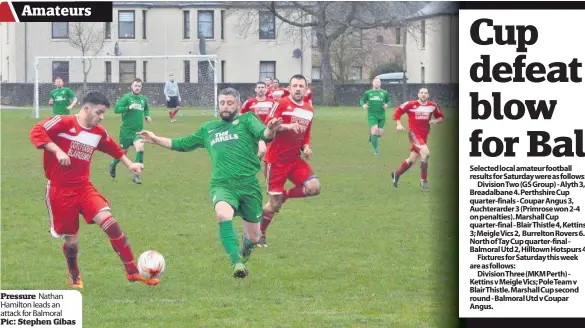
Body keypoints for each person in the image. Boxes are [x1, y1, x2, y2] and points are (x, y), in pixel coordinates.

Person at [138, 88, 282, 279]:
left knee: (255, 237)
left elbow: (264, 134)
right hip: (222, 184)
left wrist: (271, 129)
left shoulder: (247, 120)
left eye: (230, 103)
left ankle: (246, 245)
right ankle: (237, 263)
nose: (226, 106)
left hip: (249, 186)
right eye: (222, 103)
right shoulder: (209, 129)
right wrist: (155, 139)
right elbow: (182, 143)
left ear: (237, 105)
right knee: (223, 214)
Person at [29, 91, 159, 288]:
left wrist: (130, 164)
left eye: (103, 113)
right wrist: (57, 150)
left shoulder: (98, 132)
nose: (101, 117)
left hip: (84, 188)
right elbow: (36, 131)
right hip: (60, 191)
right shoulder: (62, 122)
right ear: (86, 108)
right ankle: (74, 274)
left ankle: (132, 271)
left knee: (111, 223)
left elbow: (113, 147)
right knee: (72, 241)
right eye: (99, 112)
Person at [259, 74, 321, 247]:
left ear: (306, 89)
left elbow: (305, 134)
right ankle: (260, 233)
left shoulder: (309, 109)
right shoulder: (282, 103)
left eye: (301, 86)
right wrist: (286, 126)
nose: (298, 88)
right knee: (273, 205)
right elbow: (268, 126)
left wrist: (306, 147)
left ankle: (285, 195)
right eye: (295, 85)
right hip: (276, 161)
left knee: (314, 187)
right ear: (290, 87)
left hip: (294, 160)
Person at [391, 88, 444, 190]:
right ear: (418, 94)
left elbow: (441, 117)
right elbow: (398, 111)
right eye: (421, 92)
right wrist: (398, 124)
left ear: (428, 95)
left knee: (412, 159)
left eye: (426, 93)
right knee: (426, 153)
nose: (423, 94)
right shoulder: (410, 104)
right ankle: (423, 181)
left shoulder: (432, 106)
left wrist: (435, 121)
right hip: (413, 134)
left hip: (424, 136)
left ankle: (396, 174)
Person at [109, 78, 152, 184]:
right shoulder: (126, 98)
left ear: (141, 87)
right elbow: (116, 110)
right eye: (135, 86)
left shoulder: (143, 99)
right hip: (126, 132)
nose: (137, 88)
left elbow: (146, 108)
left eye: (139, 86)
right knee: (123, 153)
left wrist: (147, 116)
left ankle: (137, 175)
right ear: (132, 87)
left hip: (138, 132)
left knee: (140, 148)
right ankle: (113, 164)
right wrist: (128, 107)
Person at [240, 81, 275, 159]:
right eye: (259, 87)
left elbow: (275, 115)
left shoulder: (272, 102)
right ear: (255, 89)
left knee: (270, 154)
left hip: (268, 130)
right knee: (257, 151)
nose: (261, 89)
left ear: (266, 89)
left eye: (262, 87)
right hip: (254, 132)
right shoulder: (249, 102)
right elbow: (241, 115)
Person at [359, 78, 391, 155]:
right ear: (372, 83)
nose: (377, 83)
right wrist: (363, 105)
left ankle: (371, 137)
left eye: (378, 82)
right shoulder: (368, 93)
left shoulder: (384, 93)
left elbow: (389, 101)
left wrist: (387, 105)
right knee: (375, 130)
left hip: (382, 116)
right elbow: (362, 100)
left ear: (380, 84)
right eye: (375, 82)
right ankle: (375, 150)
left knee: (379, 134)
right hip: (372, 115)